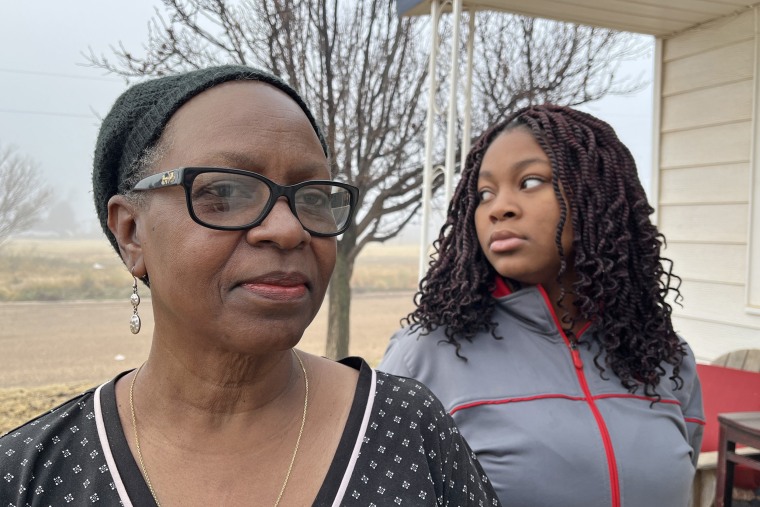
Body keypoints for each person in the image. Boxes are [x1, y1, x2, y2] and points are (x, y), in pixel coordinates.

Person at [0, 65, 500, 507]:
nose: (288, 230)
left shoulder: (407, 429)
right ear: (132, 233)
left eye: (313, 195)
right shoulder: (31, 473)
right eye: (225, 191)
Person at [379, 104, 705, 507]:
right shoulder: (425, 356)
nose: (499, 208)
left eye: (530, 181)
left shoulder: (666, 360)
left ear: (595, 194)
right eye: (484, 193)